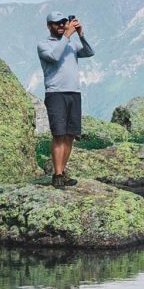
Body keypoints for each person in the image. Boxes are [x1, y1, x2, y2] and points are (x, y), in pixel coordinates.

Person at [37, 10, 94, 188]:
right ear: (49, 26)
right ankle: (57, 174)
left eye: (63, 22)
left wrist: (81, 34)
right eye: (57, 23)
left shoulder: (71, 44)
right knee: (59, 134)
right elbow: (54, 57)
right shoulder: (44, 44)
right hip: (56, 93)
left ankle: (63, 171)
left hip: (74, 93)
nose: (61, 25)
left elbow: (90, 52)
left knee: (70, 135)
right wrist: (67, 36)